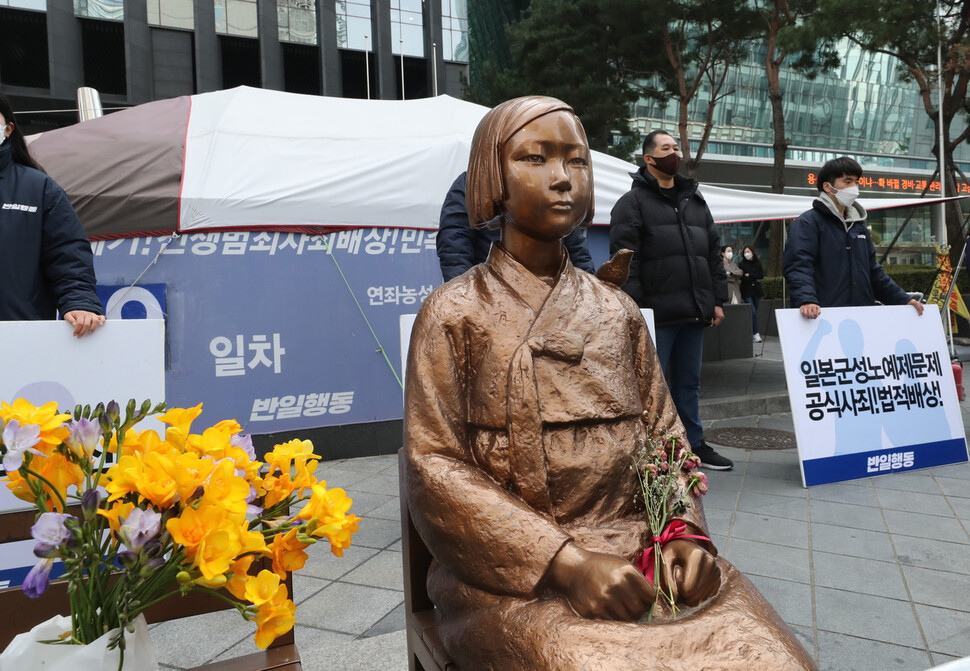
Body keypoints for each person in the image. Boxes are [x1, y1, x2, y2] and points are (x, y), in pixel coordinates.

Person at [404, 96, 816, 671]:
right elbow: (434, 467)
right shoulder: (453, 314)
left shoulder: (616, 310)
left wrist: (681, 533)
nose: (561, 179)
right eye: (535, 159)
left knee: (775, 658)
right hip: (515, 581)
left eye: (576, 161)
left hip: (640, 550)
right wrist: (566, 563)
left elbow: (666, 436)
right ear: (491, 178)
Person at [609, 130, 733, 471]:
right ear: (649, 159)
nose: (674, 153)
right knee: (653, 387)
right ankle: (655, 450)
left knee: (689, 383)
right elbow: (624, 261)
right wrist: (638, 310)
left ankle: (694, 444)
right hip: (656, 316)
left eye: (676, 147)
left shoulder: (695, 199)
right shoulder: (631, 204)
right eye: (666, 148)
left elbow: (712, 253)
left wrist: (717, 301)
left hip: (693, 312)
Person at [0, 95, 104, 336]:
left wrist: (79, 302)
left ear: (8, 129)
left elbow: (67, 253)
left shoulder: (38, 188)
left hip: (20, 340)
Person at [784, 156, 923, 320]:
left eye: (856, 182)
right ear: (827, 187)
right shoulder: (807, 223)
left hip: (862, 317)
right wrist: (806, 299)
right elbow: (799, 265)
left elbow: (873, 272)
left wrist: (903, 299)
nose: (854, 187)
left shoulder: (859, 226)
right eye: (847, 181)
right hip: (822, 317)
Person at [436, 170, 595, 281]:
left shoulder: (548, 183)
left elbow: (574, 244)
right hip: (489, 291)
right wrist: (466, 294)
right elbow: (454, 245)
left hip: (549, 293)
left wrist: (589, 289)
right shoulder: (472, 183)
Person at [739, 244, 765, 342]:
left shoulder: (757, 263)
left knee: (754, 313)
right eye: (745, 252)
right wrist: (753, 277)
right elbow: (742, 277)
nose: (746, 254)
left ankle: (752, 331)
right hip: (747, 291)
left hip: (756, 291)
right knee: (752, 312)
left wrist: (750, 275)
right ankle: (755, 333)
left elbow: (761, 275)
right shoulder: (741, 264)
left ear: (752, 252)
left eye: (748, 252)